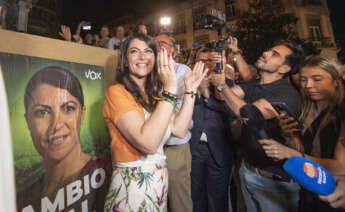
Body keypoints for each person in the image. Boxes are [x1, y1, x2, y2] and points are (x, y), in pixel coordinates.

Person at [103, 34, 206, 211]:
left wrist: (190, 92)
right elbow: (148, 144)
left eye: (148, 51)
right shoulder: (116, 92)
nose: (142, 56)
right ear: (125, 60)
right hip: (132, 190)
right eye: (134, 51)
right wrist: (170, 89)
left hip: (158, 186)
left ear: (155, 58)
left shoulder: (154, 95)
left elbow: (180, 130)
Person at [211, 40, 304, 212]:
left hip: (274, 180)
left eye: (275, 54)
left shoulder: (287, 95)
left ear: (284, 69)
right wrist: (219, 69)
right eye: (269, 49)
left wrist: (223, 84)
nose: (266, 52)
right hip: (248, 170)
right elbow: (221, 96)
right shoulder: (254, 84)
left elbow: (247, 113)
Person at [17, 66, 112, 212]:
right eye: (42, 112)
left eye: (68, 108)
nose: (56, 124)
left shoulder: (109, 174)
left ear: (82, 114)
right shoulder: (21, 201)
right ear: (27, 121)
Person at [258, 56, 345, 212]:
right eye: (303, 80)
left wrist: (290, 153)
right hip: (308, 190)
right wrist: (290, 136)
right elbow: (302, 150)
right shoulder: (305, 109)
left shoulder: (341, 113)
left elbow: (341, 167)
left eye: (317, 79)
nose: (308, 85)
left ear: (336, 81)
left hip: (334, 194)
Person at [190, 47, 233, 212]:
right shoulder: (186, 83)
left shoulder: (226, 84)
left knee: (217, 200)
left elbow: (232, 111)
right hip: (194, 150)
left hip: (219, 150)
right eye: (201, 60)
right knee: (195, 197)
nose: (205, 64)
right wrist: (196, 90)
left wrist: (207, 92)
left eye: (209, 61)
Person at [154, 33, 194, 212]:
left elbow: (176, 112)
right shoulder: (144, 69)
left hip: (174, 147)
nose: (155, 46)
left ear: (172, 49)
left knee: (179, 203)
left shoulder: (182, 71)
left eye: (161, 43)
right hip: (150, 148)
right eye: (153, 43)